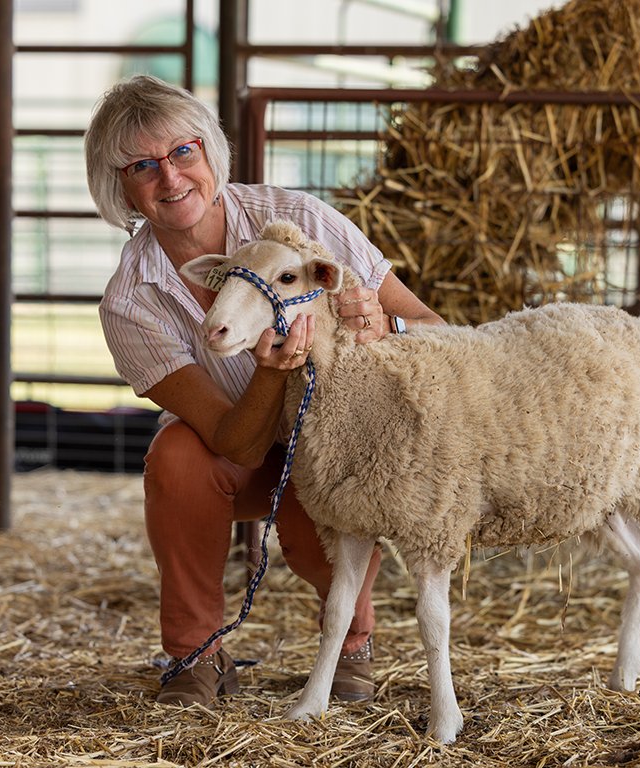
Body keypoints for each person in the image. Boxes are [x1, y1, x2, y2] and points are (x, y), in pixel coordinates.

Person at [84, 74, 444, 707]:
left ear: (209, 152)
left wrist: (385, 325)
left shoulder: (299, 221)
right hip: (240, 449)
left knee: (320, 529)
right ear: (121, 188)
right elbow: (235, 443)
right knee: (177, 458)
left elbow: (435, 330)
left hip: (332, 441)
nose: (170, 179)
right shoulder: (131, 301)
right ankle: (195, 656)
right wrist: (271, 372)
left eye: (182, 153)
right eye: (142, 166)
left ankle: (353, 644)